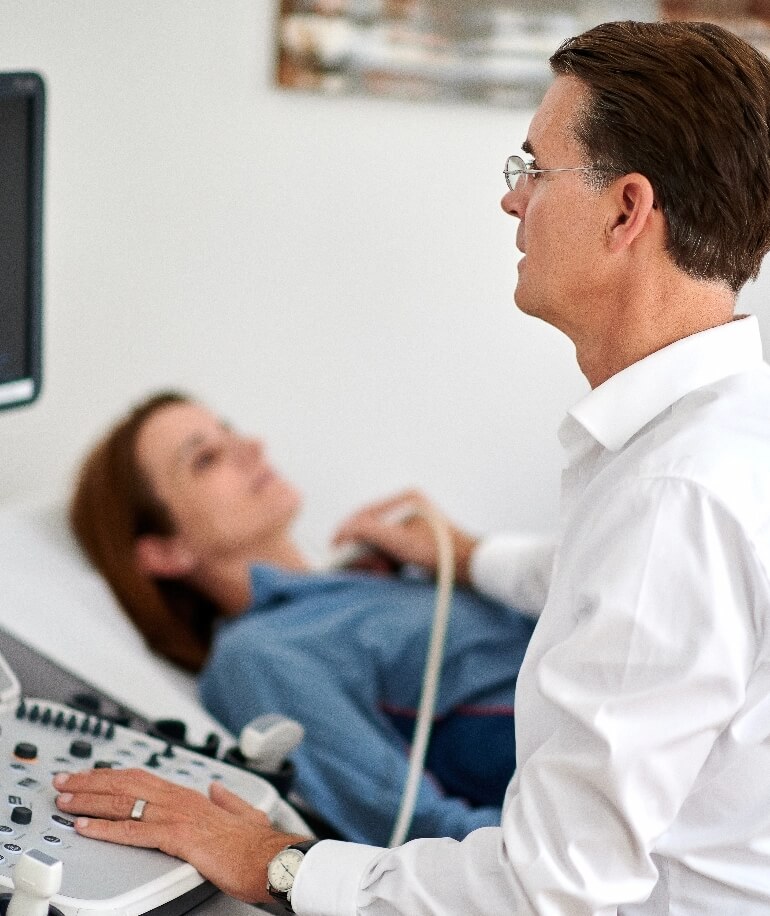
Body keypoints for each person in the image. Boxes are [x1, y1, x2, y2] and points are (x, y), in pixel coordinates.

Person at [53, 17, 770, 914]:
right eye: (205, 458)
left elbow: (546, 890)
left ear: (626, 211)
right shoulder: (723, 442)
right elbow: (603, 596)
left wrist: (275, 862)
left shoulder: (672, 495)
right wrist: (466, 556)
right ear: (160, 549)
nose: (512, 202)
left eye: (533, 171)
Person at [68, 391, 538, 846]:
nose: (252, 447)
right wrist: (578, 858)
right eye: (206, 458)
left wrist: (469, 559)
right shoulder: (257, 654)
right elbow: (417, 830)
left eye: (229, 431)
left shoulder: (384, 572)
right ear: (165, 551)